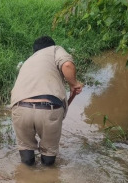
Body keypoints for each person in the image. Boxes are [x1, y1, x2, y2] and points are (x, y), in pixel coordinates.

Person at [10, 36, 83, 166]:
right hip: (48, 107)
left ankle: (26, 180)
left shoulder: (28, 61)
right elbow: (67, 64)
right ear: (50, 46)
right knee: (48, 161)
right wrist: (73, 83)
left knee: (26, 158)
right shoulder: (54, 50)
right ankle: (47, 181)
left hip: (20, 107)